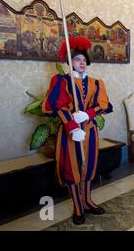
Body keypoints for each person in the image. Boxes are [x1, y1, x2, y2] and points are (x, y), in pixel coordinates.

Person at [42, 36, 113, 225]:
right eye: (76, 60)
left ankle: (88, 201)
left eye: (83, 59)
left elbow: (104, 105)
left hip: (90, 132)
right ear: (69, 62)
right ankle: (78, 206)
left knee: (88, 168)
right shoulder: (61, 81)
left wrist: (88, 114)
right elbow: (56, 106)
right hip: (70, 133)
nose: (81, 63)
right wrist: (73, 127)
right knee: (73, 169)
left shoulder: (96, 83)